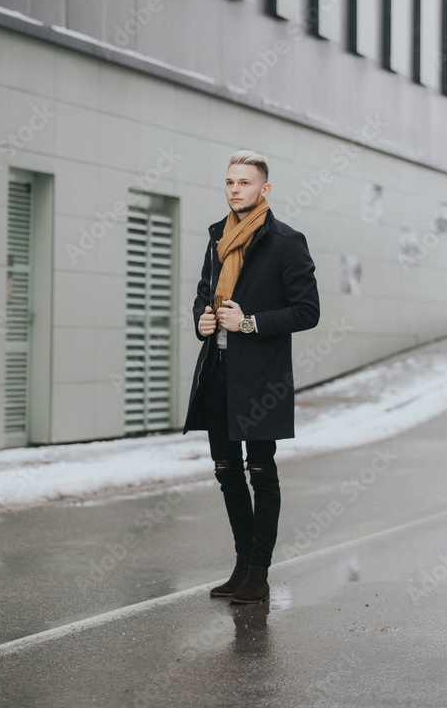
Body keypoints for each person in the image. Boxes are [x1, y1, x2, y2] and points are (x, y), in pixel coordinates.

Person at [183, 150, 320, 604]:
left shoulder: (285, 241)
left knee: (260, 471)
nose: (235, 189)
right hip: (218, 371)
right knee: (226, 472)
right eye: (229, 182)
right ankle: (242, 564)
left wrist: (249, 322)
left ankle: (259, 572)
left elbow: (307, 311)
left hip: (261, 379)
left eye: (244, 182)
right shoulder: (217, 238)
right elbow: (206, 294)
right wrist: (201, 319)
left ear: (265, 189)